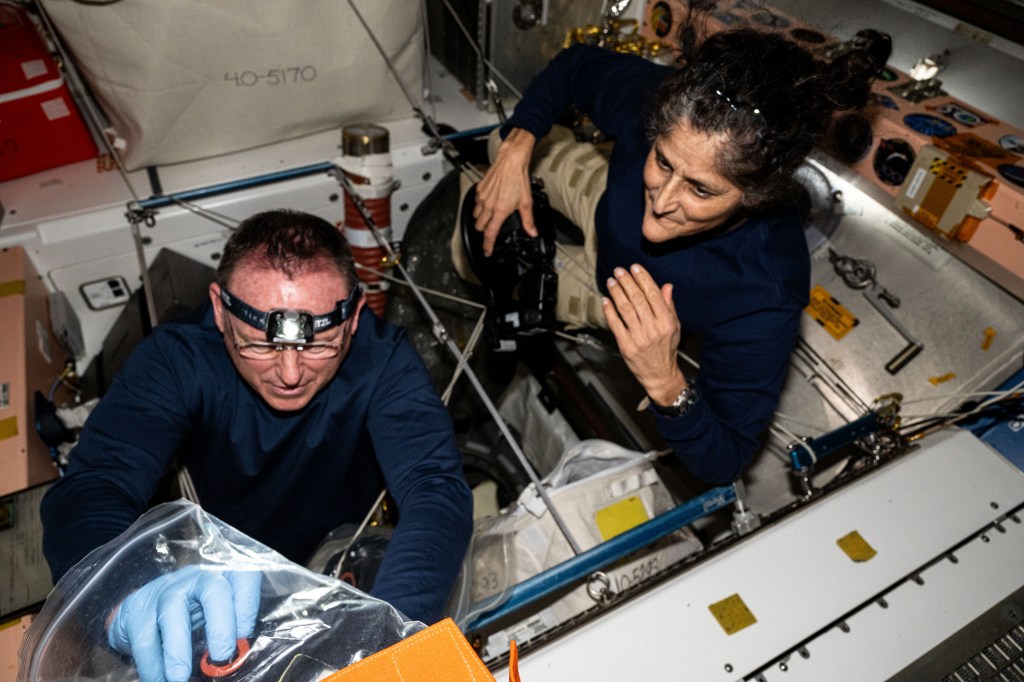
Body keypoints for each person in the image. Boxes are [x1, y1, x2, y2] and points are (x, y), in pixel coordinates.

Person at [40, 209, 474, 682]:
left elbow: (435, 489)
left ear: (352, 319)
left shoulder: (384, 360)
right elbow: (93, 485)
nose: (290, 374)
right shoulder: (176, 358)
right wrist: (123, 593)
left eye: (320, 344)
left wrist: (387, 641)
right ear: (221, 309)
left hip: (345, 560)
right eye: (260, 344)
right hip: (215, 581)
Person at [461, 6, 886, 484]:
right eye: (662, 161)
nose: (661, 203)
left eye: (701, 190)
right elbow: (575, 64)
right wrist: (518, 149)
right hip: (604, 195)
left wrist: (665, 381)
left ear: (756, 196)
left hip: (624, 306)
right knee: (500, 144)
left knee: (477, 259)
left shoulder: (765, 291)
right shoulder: (662, 106)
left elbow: (727, 460)